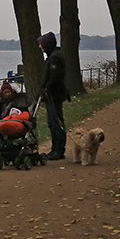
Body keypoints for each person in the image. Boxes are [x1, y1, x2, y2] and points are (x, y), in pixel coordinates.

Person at [38, 32, 70, 160]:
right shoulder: (53, 56)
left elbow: (55, 76)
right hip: (52, 95)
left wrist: (46, 89)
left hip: (54, 95)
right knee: (52, 122)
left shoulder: (54, 58)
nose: (40, 47)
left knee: (56, 122)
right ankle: (55, 148)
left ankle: (59, 150)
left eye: (41, 44)